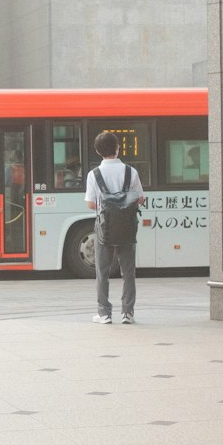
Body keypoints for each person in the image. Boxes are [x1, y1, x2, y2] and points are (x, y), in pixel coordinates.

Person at [85, 131, 144, 324]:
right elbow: (140, 199)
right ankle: (128, 313)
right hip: (127, 227)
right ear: (117, 148)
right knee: (128, 272)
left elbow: (91, 204)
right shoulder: (131, 172)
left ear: (97, 151)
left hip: (105, 227)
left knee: (102, 271)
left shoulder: (94, 175)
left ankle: (104, 313)